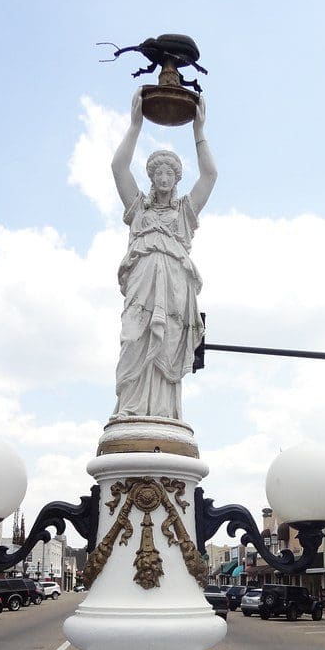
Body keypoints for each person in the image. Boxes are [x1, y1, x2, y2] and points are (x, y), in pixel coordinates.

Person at [111, 87, 217, 420]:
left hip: (173, 289)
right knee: (133, 340)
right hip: (142, 285)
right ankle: (129, 409)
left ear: (177, 178)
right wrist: (135, 126)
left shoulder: (185, 213)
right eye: (158, 173)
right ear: (152, 177)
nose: (164, 178)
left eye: (170, 173)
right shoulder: (138, 210)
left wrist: (199, 132)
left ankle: (164, 414)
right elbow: (117, 167)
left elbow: (210, 175)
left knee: (166, 344)